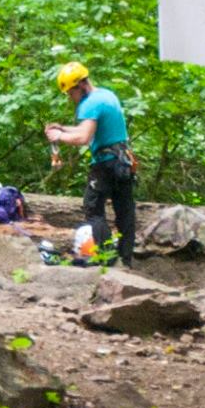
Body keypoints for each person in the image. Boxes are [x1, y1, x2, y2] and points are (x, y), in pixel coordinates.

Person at [45, 62, 135, 260]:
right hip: (123, 162)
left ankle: (105, 256)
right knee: (125, 212)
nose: (71, 97)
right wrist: (62, 128)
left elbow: (83, 138)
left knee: (93, 208)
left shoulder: (89, 104)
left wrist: (58, 137)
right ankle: (126, 259)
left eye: (71, 92)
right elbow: (89, 129)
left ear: (81, 86)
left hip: (106, 164)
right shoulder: (106, 95)